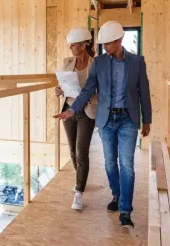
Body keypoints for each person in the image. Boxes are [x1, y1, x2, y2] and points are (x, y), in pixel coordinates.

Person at [54, 21, 152, 228]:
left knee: (127, 165)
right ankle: (116, 195)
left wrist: (147, 120)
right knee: (109, 163)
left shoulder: (137, 62)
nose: (105, 47)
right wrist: (71, 110)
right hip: (106, 120)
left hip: (128, 120)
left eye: (108, 43)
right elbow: (88, 90)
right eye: (103, 44)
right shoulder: (99, 63)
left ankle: (125, 210)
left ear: (120, 40)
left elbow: (143, 91)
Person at [55, 27, 97, 211]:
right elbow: (62, 85)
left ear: (85, 44)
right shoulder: (68, 62)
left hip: (86, 111)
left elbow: (103, 91)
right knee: (72, 150)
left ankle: (78, 192)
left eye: (74, 44)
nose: (71, 47)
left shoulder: (96, 64)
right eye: (70, 44)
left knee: (82, 151)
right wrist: (58, 90)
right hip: (68, 110)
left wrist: (92, 97)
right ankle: (80, 178)